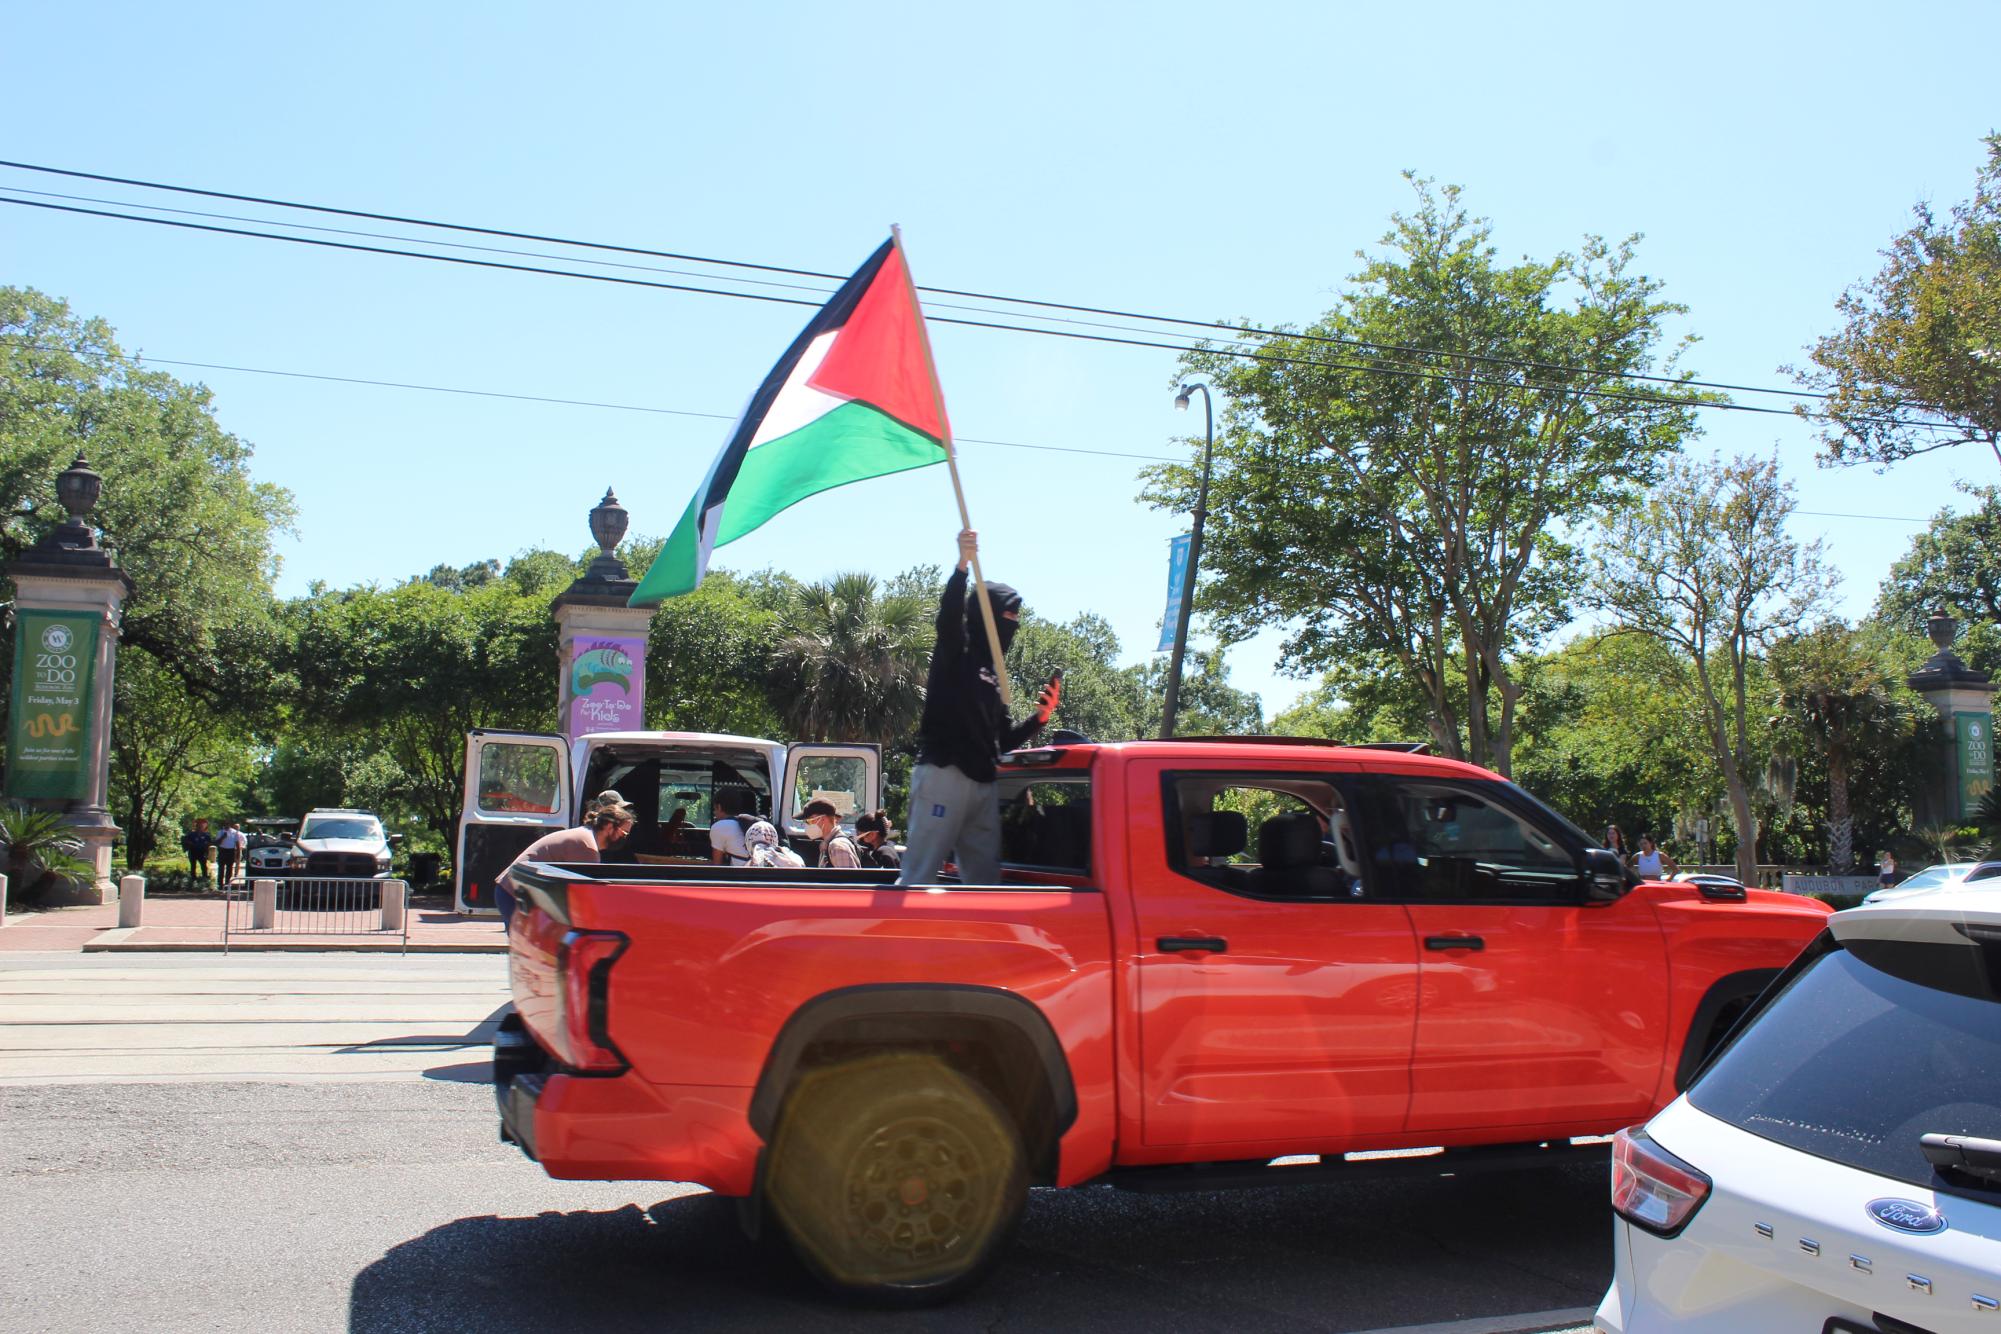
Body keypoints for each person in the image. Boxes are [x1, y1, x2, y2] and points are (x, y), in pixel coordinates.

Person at [896, 530, 1060, 887]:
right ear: (986, 616)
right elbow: (948, 620)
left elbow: (1002, 741)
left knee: (984, 882)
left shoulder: (996, 674)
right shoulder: (958, 652)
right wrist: (962, 567)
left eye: (1017, 619)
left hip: (983, 784)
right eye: (1008, 616)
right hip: (944, 773)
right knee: (919, 876)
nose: (1013, 625)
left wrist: (1039, 719)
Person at [496, 791, 635, 928]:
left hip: (514, 891)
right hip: (515, 894)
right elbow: (587, 898)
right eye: (624, 833)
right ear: (609, 827)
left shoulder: (585, 836)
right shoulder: (586, 847)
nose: (625, 838)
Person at [803, 799, 862, 868]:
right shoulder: (829, 844)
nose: (807, 826)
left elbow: (849, 878)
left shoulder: (837, 847)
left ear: (823, 819)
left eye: (809, 821)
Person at [710, 788, 754, 866]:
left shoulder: (719, 827)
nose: (714, 813)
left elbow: (717, 865)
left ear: (719, 807)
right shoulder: (750, 823)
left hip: (741, 875)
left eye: (714, 809)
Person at [182, 818, 214, 882]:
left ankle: (204, 878)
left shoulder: (206, 835)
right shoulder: (191, 834)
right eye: (198, 826)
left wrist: (207, 853)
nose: (200, 828)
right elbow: (185, 840)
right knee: (193, 866)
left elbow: (209, 843)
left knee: (204, 866)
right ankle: (193, 879)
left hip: (202, 852)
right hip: (193, 852)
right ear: (196, 826)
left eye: (201, 826)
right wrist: (188, 844)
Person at [214, 819, 246, 885]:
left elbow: (237, 843)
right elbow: (217, 843)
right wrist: (223, 837)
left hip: (231, 851)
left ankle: (227, 883)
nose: (227, 825)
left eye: (228, 824)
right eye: (225, 824)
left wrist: (238, 853)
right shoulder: (220, 832)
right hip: (222, 850)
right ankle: (220, 883)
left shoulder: (234, 832)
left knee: (229, 868)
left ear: (230, 825)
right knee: (221, 868)